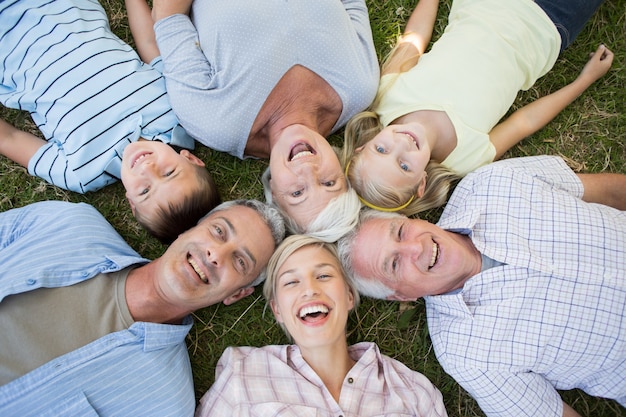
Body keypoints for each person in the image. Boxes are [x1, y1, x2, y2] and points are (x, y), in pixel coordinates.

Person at [337, 156, 626, 417]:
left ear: (415, 218)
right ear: (402, 295)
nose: (416, 247)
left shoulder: (488, 184)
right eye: (394, 264)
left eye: (401, 232)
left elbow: (607, 192)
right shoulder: (467, 355)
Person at [0, 198, 285, 417]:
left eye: (240, 262)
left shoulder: (165, 402)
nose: (215, 254)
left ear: (236, 295)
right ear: (188, 230)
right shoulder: (72, 223)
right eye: (219, 231)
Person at [341, 0, 614, 215]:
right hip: (547, 21)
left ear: (364, 144)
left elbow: (414, 40)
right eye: (403, 166)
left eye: (381, 149)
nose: (401, 145)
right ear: (421, 183)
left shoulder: (387, 97)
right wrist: (584, 80)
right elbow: (524, 122)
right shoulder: (466, 158)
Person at [148, 0, 379, 236]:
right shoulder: (359, 87)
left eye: (297, 193)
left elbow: (168, 18)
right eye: (329, 183)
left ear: (274, 191)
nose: (308, 169)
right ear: (343, 169)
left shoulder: (217, 122)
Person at [0, 0, 220, 243]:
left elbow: (11, 138)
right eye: (169, 173)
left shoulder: (82, 173)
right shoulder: (178, 112)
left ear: (131, 202)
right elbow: (148, 43)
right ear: (190, 159)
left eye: (145, 191)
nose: (148, 170)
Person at [196, 234, 448, 416]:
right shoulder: (243, 375)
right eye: (291, 282)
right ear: (278, 311)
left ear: (349, 295)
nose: (310, 289)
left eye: (324, 276)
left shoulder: (413, 392)